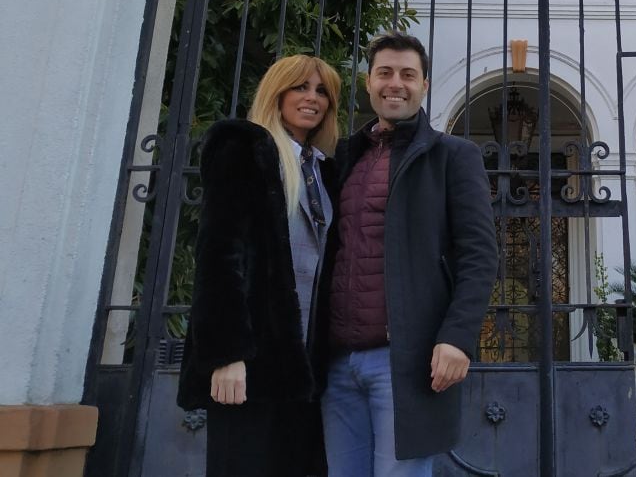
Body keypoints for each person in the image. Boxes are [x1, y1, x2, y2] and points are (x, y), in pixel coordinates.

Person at [316, 33, 498, 477]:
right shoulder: (343, 157)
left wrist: (458, 336)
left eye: (407, 74)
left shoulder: (453, 156)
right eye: (385, 73)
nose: (395, 83)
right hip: (337, 363)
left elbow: (479, 254)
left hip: (405, 363)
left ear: (424, 85)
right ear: (368, 82)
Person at [177, 54, 342, 477]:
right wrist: (228, 355)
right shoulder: (244, 147)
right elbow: (220, 255)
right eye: (300, 87)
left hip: (304, 366)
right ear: (277, 92)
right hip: (249, 361)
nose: (312, 98)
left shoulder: (324, 171)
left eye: (322, 91)